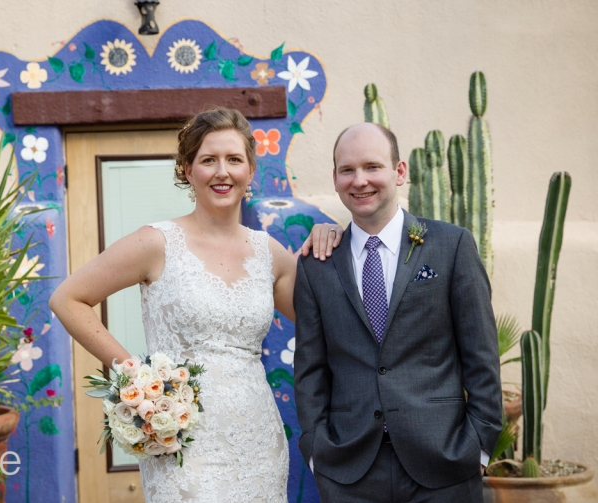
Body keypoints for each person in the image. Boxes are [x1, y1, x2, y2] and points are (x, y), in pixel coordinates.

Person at [49, 107, 336, 503]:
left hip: (257, 439)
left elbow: (329, 324)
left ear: (250, 171)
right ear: (187, 169)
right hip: (181, 436)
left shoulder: (269, 253)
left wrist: (336, 238)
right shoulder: (156, 242)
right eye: (208, 160)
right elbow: (67, 299)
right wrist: (136, 379)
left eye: (234, 160)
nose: (223, 172)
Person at [294, 122, 502, 502]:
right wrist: (316, 450)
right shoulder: (317, 264)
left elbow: (482, 355)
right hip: (349, 471)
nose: (360, 181)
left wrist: (479, 447)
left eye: (372, 167)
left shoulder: (451, 246)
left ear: (399, 172)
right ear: (336, 178)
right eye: (347, 170)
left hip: (444, 464)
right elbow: (310, 370)